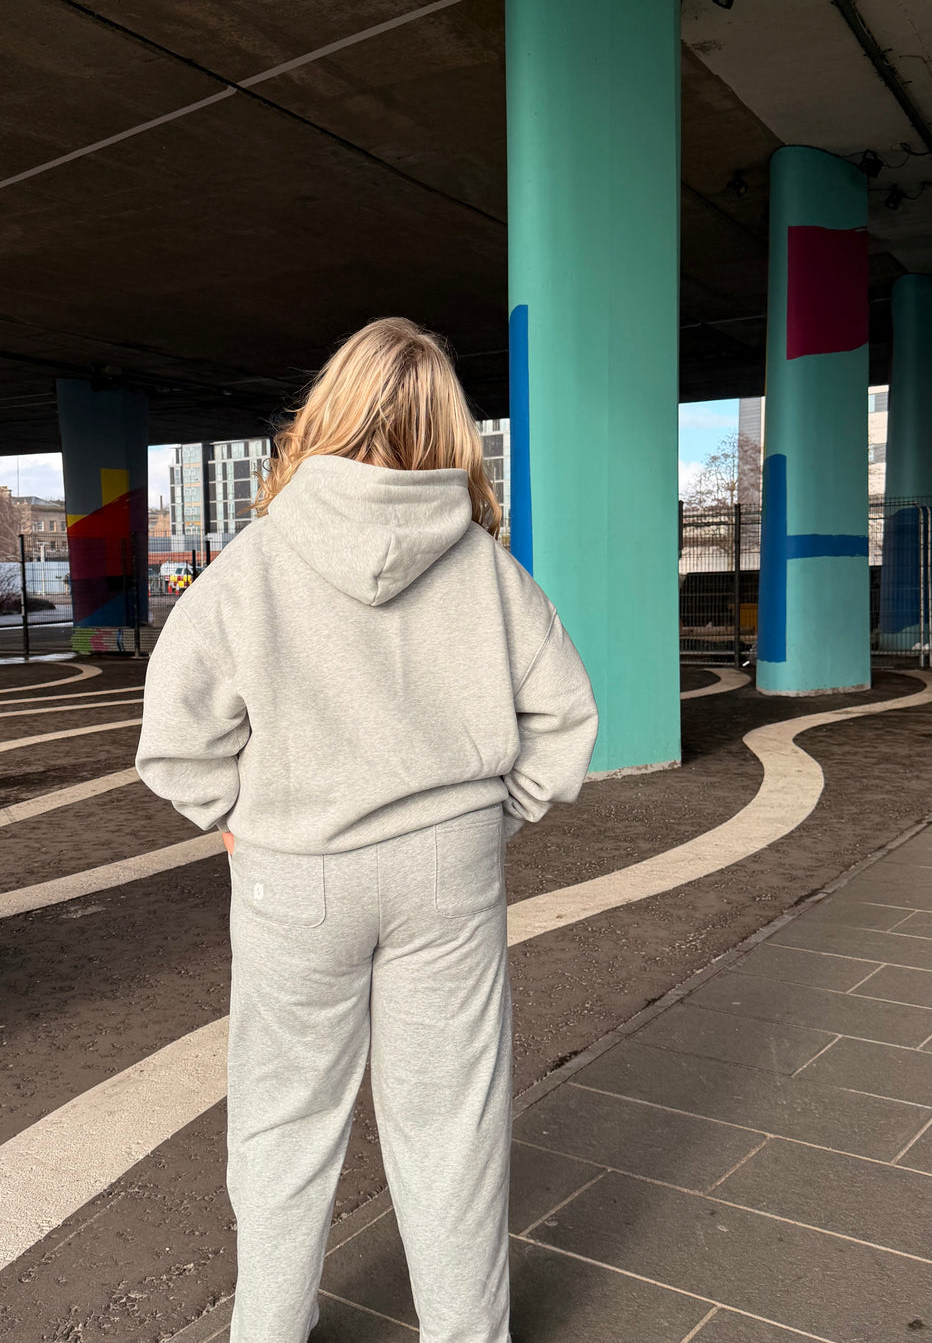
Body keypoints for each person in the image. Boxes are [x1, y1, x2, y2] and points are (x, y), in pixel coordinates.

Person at [134, 317, 599, 1343]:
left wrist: (237, 823)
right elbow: (565, 715)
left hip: (294, 873)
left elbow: (175, 742)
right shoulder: (487, 570)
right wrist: (496, 814)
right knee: (453, 1120)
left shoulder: (252, 565)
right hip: (450, 871)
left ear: (326, 413)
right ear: (450, 433)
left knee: (284, 1118)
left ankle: (268, 1329)